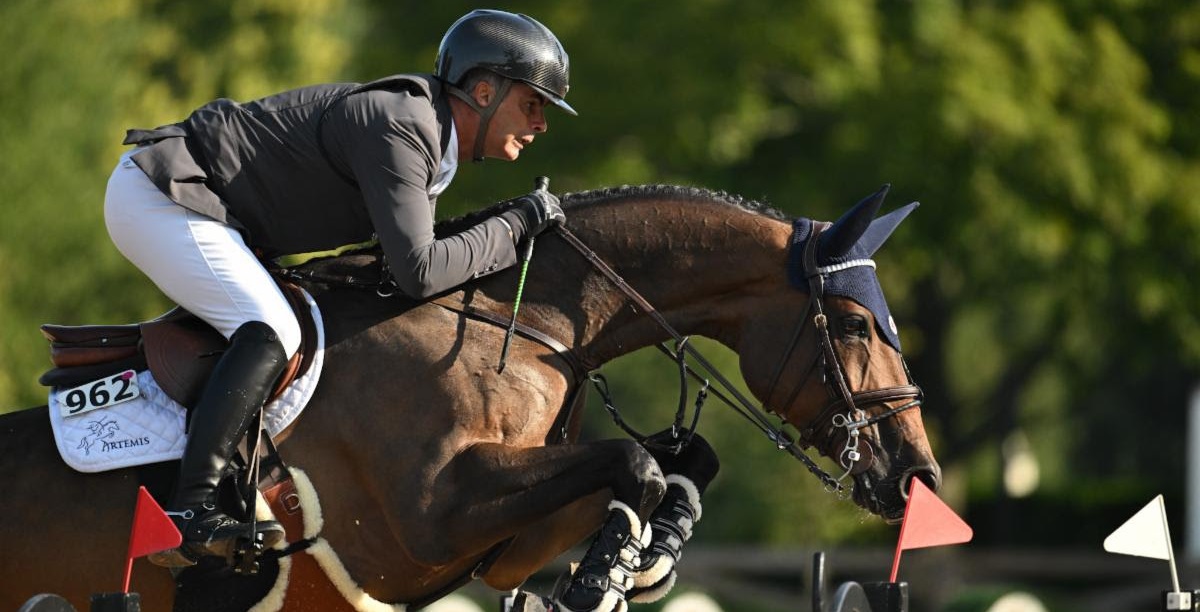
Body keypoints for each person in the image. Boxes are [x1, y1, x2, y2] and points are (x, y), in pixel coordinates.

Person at [103, 9, 574, 568]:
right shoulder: (404, 124)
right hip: (166, 194)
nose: (540, 123)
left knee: (289, 321)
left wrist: (507, 226)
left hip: (206, 210)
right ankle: (191, 510)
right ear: (482, 89)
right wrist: (517, 225)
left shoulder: (431, 136)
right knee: (271, 328)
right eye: (532, 103)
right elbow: (419, 272)